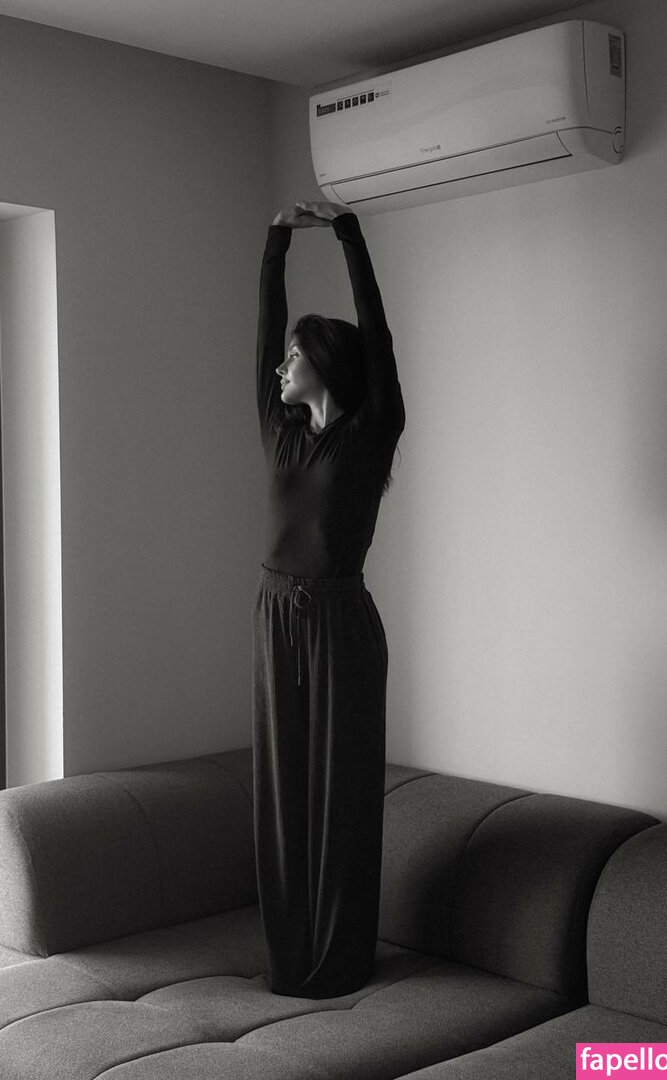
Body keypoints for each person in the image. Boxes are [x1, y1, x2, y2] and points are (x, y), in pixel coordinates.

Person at [253, 199, 404, 999]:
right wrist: (275, 242)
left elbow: (378, 337)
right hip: (276, 616)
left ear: (324, 362)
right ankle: (290, 960)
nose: (280, 368)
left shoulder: (371, 431)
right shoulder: (280, 433)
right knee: (284, 789)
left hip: (342, 620)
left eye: (293, 357)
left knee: (340, 791)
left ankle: (340, 960)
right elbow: (260, 335)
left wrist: (349, 235)